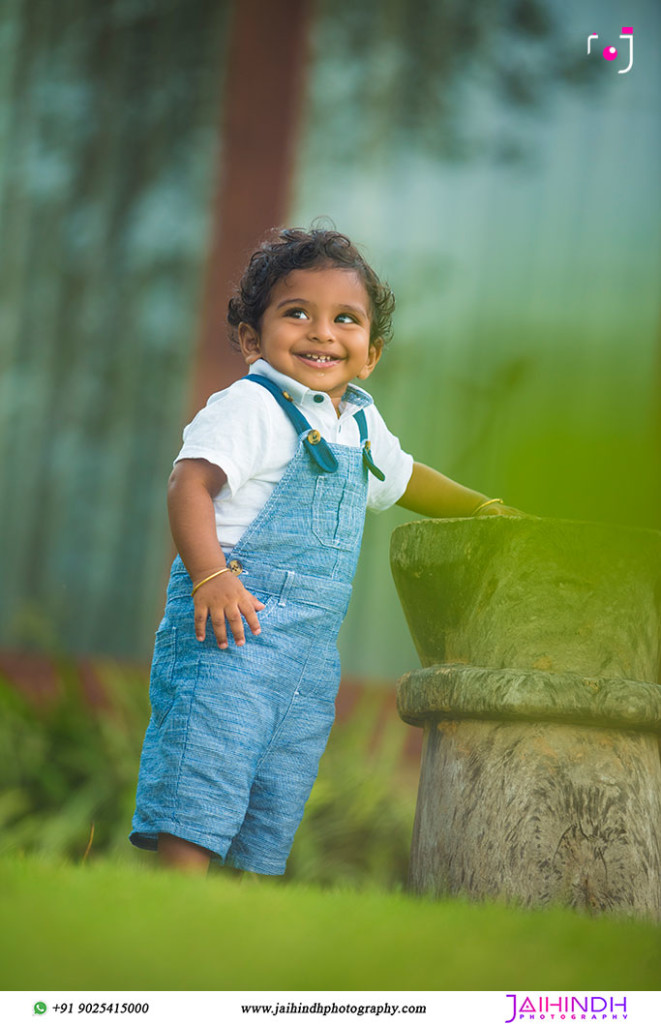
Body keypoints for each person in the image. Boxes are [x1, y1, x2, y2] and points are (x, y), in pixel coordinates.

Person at [129, 226, 518, 875]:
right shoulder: (251, 406)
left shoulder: (359, 423)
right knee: (209, 758)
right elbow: (189, 483)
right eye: (296, 313)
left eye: (345, 319)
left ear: (370, 353)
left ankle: (237, 906)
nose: (321, 332)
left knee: (277, 776)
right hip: (230, 622)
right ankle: (181, 892)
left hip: (307, 649)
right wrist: (209, 576)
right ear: (252, 338)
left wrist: (483, 508)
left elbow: (406, 476)